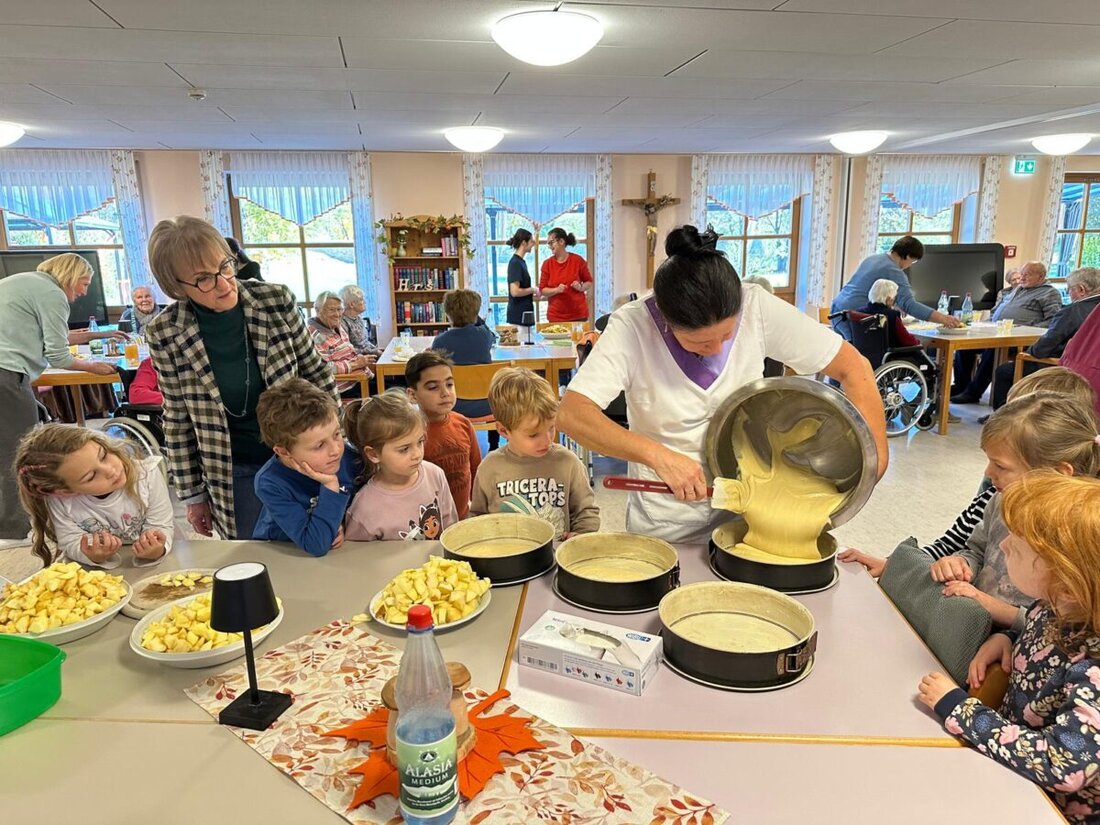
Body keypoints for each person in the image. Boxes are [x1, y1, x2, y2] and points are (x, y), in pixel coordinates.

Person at [558, 225, 888, 544]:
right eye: (699, 343)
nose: (716, 349)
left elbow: (854, 366)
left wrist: (875, 459)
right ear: (666, 322)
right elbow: (573, 415)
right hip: (666, 523)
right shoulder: (633, 326)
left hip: (751, 516)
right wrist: (657, 456)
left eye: (727, 336)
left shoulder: (756, 306)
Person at [918, 471, 1100, 823]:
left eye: (1015, 546)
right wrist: (1008, 639)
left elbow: (1061, 766)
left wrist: (960, 709)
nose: (1002, 547)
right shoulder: (1053, 607)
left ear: (1066, 577)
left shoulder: (1093, 671)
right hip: (1012, 774)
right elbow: (1035, 632)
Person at [144, 216, 336, 540]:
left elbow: (317, 374)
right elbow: (177, 418)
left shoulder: (275, 301)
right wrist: (192, 495)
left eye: (225, 266)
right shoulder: (165, 331)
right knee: (254, 556)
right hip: (234, 467)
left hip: (302, 455)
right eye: (204, 279)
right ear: (177, 286)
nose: (224, 283)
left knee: (318, 544)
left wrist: (333, 444)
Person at [840, 392, 1100, 611]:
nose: (987, 473)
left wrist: (996, 611)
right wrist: (962, 564)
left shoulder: (1077, 537)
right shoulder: (998, 500)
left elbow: (1056, 623)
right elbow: (974, 549)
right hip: (974, 622)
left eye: (1000, 465)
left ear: (1058, 472)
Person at [0, 252, 119, 539]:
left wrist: (100, 335)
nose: (83, 291)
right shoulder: (52, 293)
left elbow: (56, 336)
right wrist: (94, 369)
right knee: (16, 452)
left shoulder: (22, 283)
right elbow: (58, 355)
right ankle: (17, 529)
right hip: (7, 374)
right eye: (83, 283)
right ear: (69, 275)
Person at [15, 424, 173, 569]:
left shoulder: (146, 474)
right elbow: (70, 540)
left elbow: (161, 524)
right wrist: (90, 554)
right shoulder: (60, 500)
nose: (111, 470)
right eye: (91, 476)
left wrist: (155, 548)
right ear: (64, 491)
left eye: (104, 455)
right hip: (103, 573)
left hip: (157, 564)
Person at [471, 367, 599, 540]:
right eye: (533, 435)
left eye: (551, 428)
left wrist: (580, 536)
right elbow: (477, 518)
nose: (547, 440)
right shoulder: (489, 468)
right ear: (503, 430)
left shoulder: (568, 462)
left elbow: (586, 511)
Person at [252, 378, 361, 557]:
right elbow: (316, 545)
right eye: (319, 446)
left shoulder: (350, 458)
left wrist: (340, 523)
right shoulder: (270, 482)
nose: (336, 450)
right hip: (281, 555)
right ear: (284, 452)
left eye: (336, 434)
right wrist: (330, 486)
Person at [343, 391, 458, 541]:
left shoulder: (435, 474)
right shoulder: (365, 507)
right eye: (404, 449)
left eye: (420, 442)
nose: (417, 454)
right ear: (374, 454)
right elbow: (355, 557)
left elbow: (451, 530)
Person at [952, 261, 1063, 405]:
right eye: (1021, 274)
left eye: (1027, 275)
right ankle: (961, 386)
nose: (1022, 278)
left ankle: (973, 392)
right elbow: (998, 310)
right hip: (996, 331)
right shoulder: (1017, 289)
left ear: (1041, 276)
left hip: (1019, 339)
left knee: (992, 350)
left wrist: (1025, 328)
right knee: (964, 346)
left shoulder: (1050, 293)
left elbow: (1052, 321)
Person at [989, 266, 1100, 410]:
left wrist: (1029, 351)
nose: (1069, 293)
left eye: (1069, 289)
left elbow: (1044, 347)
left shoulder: (1072, 311)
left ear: (1081, 290)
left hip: (1063, 367)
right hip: (1090, 370)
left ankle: (1003, 416)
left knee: (1004, 370)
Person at [404, 350, 481, 519]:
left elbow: (476, 469)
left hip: (463, 518)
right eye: (433, 387)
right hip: (427, 525)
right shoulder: (409, 435)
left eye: (449, 384)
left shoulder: (464, 424)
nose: (445, 392)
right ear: (412, 395)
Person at [831, 236, 962, 330]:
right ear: (909, 256)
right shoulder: (893, 270)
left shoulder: (873, 258)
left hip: (837, 310)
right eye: (913, 261)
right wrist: (945, 318)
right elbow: (910, 305)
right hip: (854, 317)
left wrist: (897, 304)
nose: (910, 265)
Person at [432, 288, 496, 423]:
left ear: (448, 313)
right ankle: (493, 441)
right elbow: (490, 333)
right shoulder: (484, 336)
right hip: (488, 404)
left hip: (454, 404)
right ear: (477, 312)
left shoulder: (440, 341)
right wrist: (476, 318)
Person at [308, 291, 373, 396]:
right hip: (341, 389)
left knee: (399, 383)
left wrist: (359, 357)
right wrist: (356, 364)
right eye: (332, 310)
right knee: (395, 392)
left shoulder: (336, 327)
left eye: (339, 309)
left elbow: (347, 352)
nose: (337, 314)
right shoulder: (313, 335)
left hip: (358, 380)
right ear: (317, 310)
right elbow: (323, 368)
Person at [539, 227, 592, 323]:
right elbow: (542, 290)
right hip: (556, 317)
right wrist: (556, 290)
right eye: (549, 244)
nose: (550, 246)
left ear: (561, 241)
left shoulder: (578, 260)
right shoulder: (547, 264)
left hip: (578, 315)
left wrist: (581, 287)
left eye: (551, 242)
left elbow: (589, 281)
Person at [505, 229, 539, 325]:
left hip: (524, 315)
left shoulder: (520, 262)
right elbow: (515, 291)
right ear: (524, 243)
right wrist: (533, 289)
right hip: (518, 317)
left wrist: (537, 231)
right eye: (531, 241)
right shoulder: (515, 263)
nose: (533, 244)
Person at [338, 284, 381, 359]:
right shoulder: (342, 322)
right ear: (352, 304)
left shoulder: (359, 318)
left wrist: (377, 351)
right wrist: (375, 352)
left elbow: (365, 342)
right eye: (361, 299)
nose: (365, 302)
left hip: (370, 354)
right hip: (359, 359)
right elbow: (347, 349)